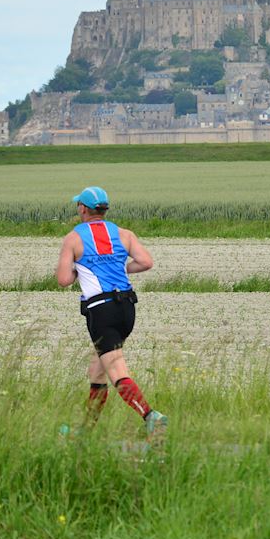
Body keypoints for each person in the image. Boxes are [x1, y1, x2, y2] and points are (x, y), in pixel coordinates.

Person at [55, 186, 167, 436]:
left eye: (78, 206)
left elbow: (63, 279)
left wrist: (78, 271)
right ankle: (84, 432)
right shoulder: (123, 234)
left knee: (116, 370)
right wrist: (119, 269)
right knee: (97, 370)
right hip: (127, 309)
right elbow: (146, 262)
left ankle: (151, 417)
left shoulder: (74, 238)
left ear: (83, 208)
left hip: (101, 311)